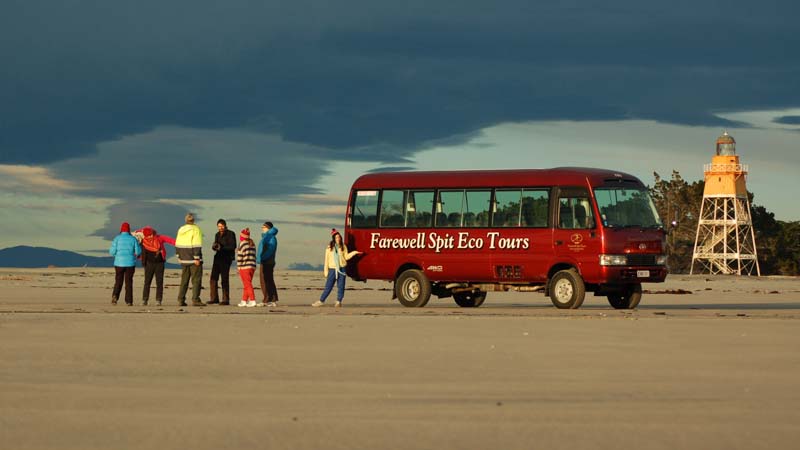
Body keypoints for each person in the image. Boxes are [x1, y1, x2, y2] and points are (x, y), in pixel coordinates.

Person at [312, 228, 362, 308]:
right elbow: (326, 260)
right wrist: (326, 271)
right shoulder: (329, 248)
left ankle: (339, 301)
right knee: (328, 286)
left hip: (342, 269)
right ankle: (321, 301)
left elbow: (346, 257)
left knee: (341, 286)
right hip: (332, 269)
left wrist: (354, 253)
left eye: (339, 237)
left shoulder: (343, 247)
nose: (338, 239)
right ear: (334, 238)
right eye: (336, 237)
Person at [139, 226, 176, 306]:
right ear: (145, 235)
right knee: (147, 282)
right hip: (148, 264)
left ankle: (158, 300)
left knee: (159, 282)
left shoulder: (159, 238)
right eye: (149, 235)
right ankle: (144, 300)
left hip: (160, 263)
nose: (151, 236)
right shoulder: (143, 241)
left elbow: (170, 240)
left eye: (151, 234)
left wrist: (181, 244)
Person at [175, 213, 205, 306]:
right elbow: (197, 245)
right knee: (196, 280)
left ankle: (181, 299)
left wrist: (178, 256)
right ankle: (195, 299)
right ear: (193, 220)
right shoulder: (196, 229)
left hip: (183, 259)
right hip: (193, 259)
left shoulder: (181, 229)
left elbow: (177, 244)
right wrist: (197, 258)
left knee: (184, 280)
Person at [109, 222, 141, 306]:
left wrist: (117, 255)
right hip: (130, 263)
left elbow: (112, 252)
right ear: (129, 230)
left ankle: (115, 296)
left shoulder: (117, 238)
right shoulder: (133, 239)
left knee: (118, 281)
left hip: (119, 263)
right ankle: (129, 301)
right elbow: (138, 251)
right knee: (129, 282)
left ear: (121, 229)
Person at [208, 219, 237, 305]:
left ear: (225, 225)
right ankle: (214, 298)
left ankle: (225, 299)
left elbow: (233, 246)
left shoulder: (231, 234)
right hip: (217, 258)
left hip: (226, 258)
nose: (220, 228)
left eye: (222, 226)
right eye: (219, 226)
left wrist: (222, 247)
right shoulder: (217, 234)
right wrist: (214, 246)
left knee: (224, 279)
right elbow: (216, 246)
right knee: (213, 278)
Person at [257, 221, 279, 307]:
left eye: (264, 227)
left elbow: (270, 250)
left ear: (268, 228)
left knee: (266, 281)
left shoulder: (271, 238)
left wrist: (263, 258)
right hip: (265, 261)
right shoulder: (266, 237)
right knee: (267, 280)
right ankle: (271, 299)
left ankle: (267, 299)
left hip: (268, 262)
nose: (262, 229)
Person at [236, 228, 257, 307]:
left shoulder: (242, 244)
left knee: (247, 284)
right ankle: (244, 300)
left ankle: (252, 300)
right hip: (252, 266)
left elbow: (240, 256)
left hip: (244, 267)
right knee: (247, 284)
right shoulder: (252, 244)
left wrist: (239, 266)